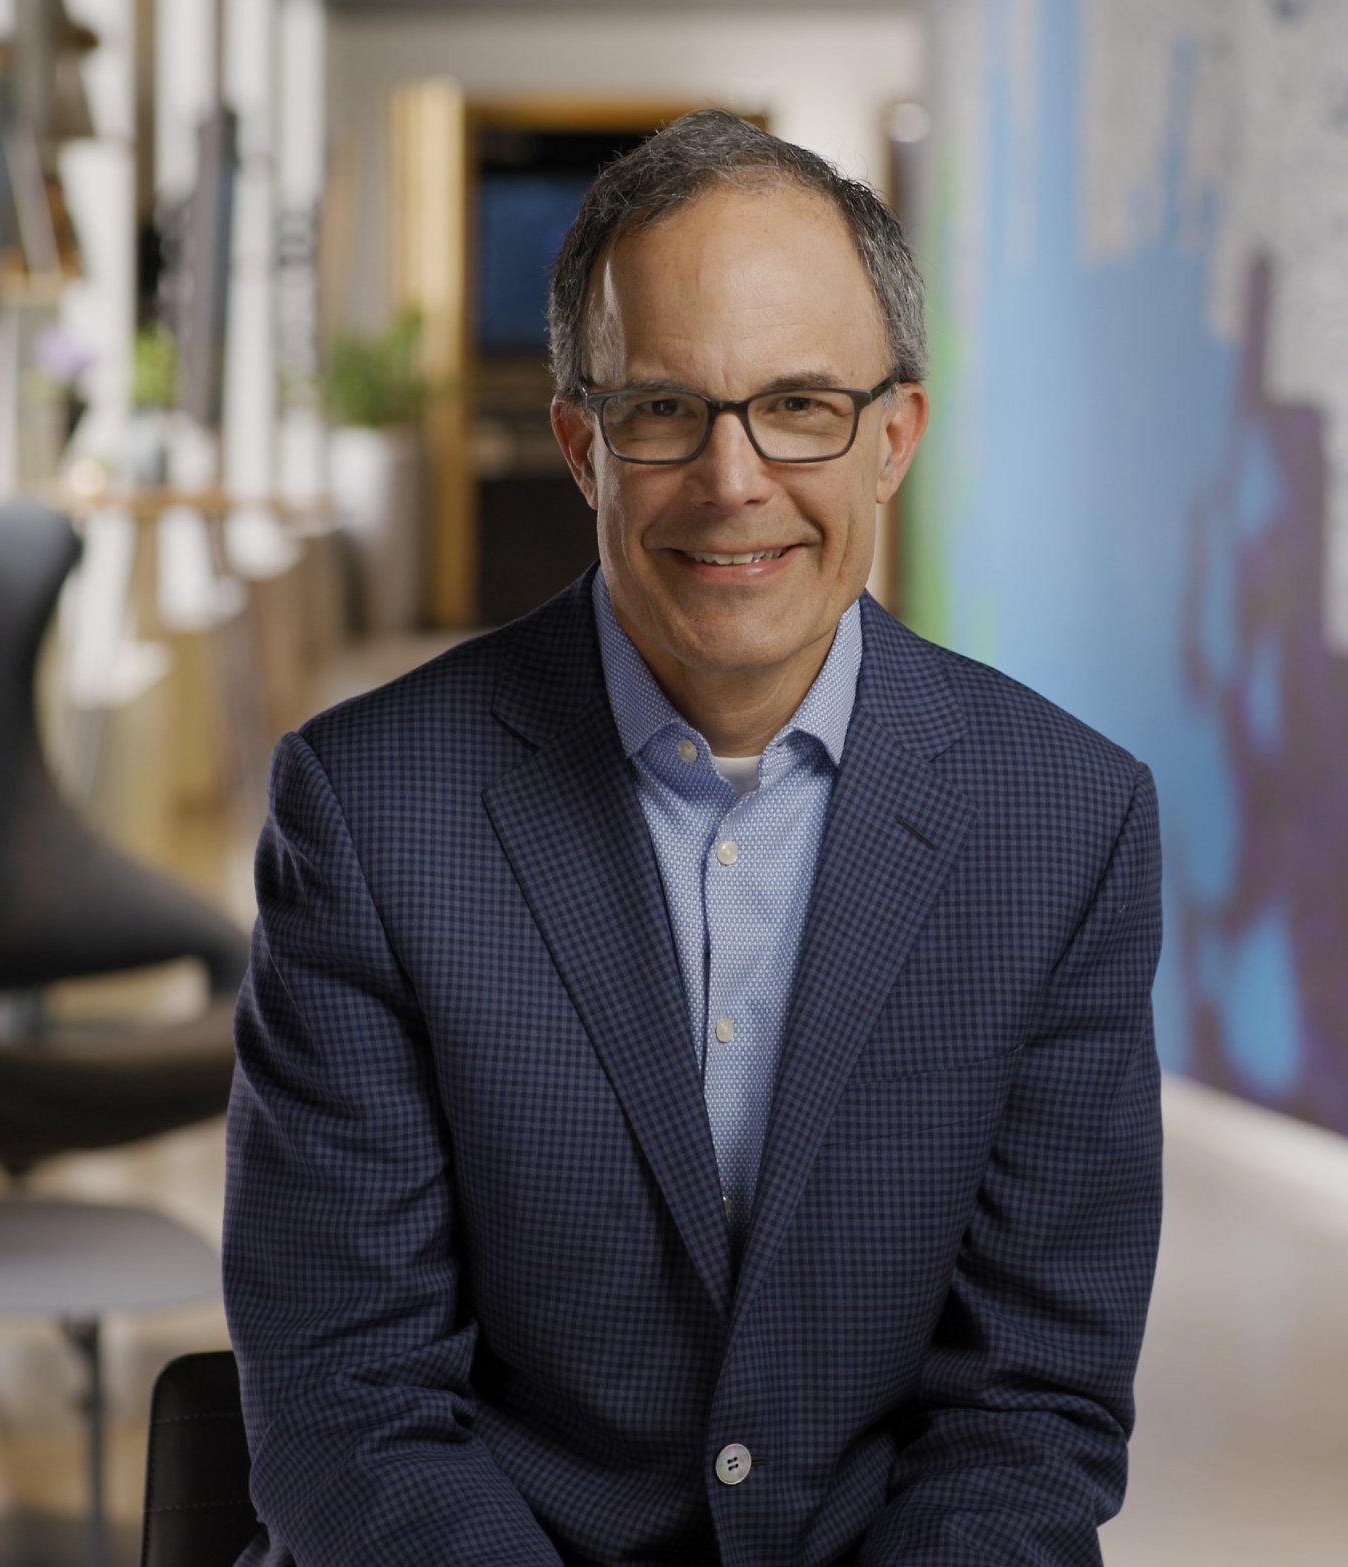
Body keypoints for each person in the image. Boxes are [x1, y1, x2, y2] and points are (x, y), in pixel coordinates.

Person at [224, 109, 1163, 1566]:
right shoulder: (371, 808)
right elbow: (349, 1398)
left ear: (894, 437)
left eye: (801, 406)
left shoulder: (1067, 822)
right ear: (581, 445)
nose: (734, 481)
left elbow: (1027, 1416)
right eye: (664, 409)